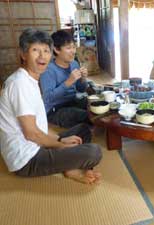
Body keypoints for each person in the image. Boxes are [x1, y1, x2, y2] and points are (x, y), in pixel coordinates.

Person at [0, 28, 102, 184]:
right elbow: (32, 134)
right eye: (35, 50)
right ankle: (72, 165)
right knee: (94, 152)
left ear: (50, 52)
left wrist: (60, 138)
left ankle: (70, 164)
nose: (42, 56)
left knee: (83, 130)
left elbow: (40, 125)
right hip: (26, 159)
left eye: (45, 51)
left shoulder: (30, 79)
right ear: (23, 54)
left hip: (39, 143)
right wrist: (61, 144)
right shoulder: (20, 84)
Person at [40, 30, 90, 128]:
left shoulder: (74, 64)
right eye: (68, 48)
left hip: (73, 101)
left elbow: (81, 89)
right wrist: (68, 82)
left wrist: (83, 79)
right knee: (85, 116)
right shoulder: (48, 70)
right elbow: (48, 98)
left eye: (74, 47)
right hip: (55, 109)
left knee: (94, 105)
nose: (73, 51)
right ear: (56, 49)